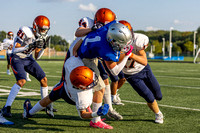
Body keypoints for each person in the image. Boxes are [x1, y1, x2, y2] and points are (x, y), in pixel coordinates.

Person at [23, 55, 113, 129]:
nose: (94, 80)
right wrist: (96, 113)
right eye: (90, 81)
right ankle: (29, 112)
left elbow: (72, 54)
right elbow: (83, 115)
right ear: (82, 87)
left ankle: (29, 113)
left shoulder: (72, 63)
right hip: (72, 98)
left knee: (48, 99)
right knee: (49, 99)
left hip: (64, 86)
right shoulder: (82, 95)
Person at [74, 8, 123, 120]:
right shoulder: (89, 22)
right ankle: (96, 117)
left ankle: (109, 109)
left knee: (106, 80)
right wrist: (92, 29)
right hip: (84, 56)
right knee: (98, 86)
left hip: (95, 56)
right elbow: (77, 33)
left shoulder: (110, 26)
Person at [1, 15, 51, 117]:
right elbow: (15, 49)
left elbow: (37, 56)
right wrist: (29, 45)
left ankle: (44, 104)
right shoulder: (25, 31)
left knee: (43, 79)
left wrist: (42, 48)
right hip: (17, 57)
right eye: (41, 29)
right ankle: (7, 107)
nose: (43, 32)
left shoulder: (42, 36)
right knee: (22, 81)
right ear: (35, 27)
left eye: (45, 30)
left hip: (28, 58)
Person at [119, 20, 164, 124]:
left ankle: (154, 104)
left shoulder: (138, 40)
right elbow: (115, 63)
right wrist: (122, 53)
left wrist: (130, 54)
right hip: (131, 75)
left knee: (158, 95)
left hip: (144, 70)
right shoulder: (111, 43)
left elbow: (144, 61)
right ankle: (158, 114)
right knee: (148, 96)